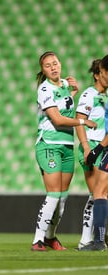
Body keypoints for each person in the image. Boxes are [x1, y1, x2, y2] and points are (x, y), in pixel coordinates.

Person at [31, 51, 97, 251]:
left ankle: (51, 237)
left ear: (60, 64)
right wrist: (83, 121)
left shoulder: (65, 86)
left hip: (67, 145)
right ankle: (37, 239)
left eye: (55, 63)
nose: (53, 67)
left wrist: (73, 92)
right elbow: (58, 119)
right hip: (49, 144)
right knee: (53, 194)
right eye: (48, 65)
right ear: (43, 70)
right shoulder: (44, 89)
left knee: (62, 197)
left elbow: (64, 105)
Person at [75, 59, 108, 249]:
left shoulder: (105, 96)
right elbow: (80, 121)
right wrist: (87, 148)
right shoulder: (89, 94)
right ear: (97, 74)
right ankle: (89, 239)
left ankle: (92, 238)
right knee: (98, 194)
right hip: (94, 147)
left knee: (98, 195)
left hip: (102, 147)